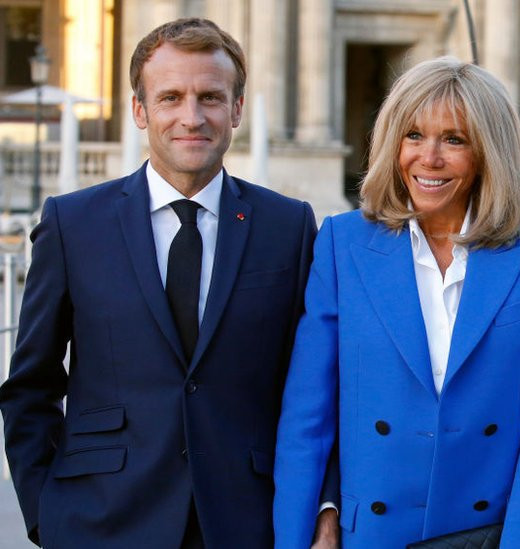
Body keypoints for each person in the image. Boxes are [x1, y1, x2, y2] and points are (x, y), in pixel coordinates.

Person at [0, 18, 318, 549]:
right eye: (171, 97)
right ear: (140, 110)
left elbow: (313, 387)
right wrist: (44, 513)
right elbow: (30, 385)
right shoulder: (72, 224)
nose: (191, 117)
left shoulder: (289, 226)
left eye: (210, 97)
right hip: (100, 522)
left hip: (247, 522)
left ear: (237, 108)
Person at [273, 56, 520, 548]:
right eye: (413, 136)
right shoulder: (342, 243)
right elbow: (308, 417)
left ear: (489, 152)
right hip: (368, 534)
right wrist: (309, 523)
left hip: (483, 534)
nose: (428, 158)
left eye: (454, 140)